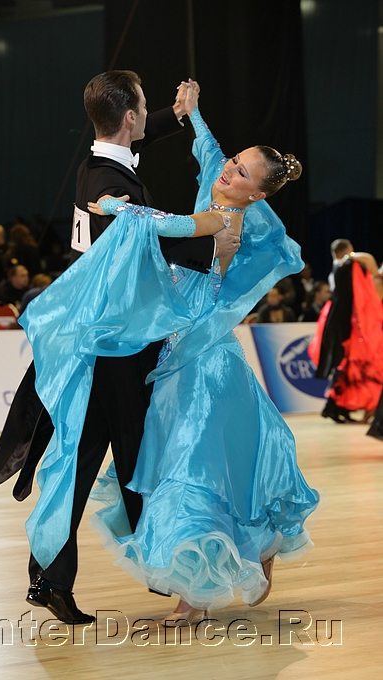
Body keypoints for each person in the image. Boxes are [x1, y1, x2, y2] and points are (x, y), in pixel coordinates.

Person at [20, 83, 318, 621]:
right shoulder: (217, 184)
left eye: (241, 172)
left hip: (201, 359)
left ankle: (194, 594)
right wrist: (192, 115)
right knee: (169, 467)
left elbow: (174, 226)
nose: (228, 169)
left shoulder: (225, 221)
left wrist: (121, 208)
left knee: (190, 470)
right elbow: (208, 151)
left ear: (257, 195)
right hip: (167, 353)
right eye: (234, 161)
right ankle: (214, 566)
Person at [0, 71, 238, 626]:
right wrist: (211, 241)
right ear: (128, 116)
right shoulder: (108, 184)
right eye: (143, 107)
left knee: (82, 463)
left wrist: (179, 114)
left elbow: (133, 149)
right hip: (118, 348)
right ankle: (179, 573)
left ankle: (53, 579)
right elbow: (145, 239)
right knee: (143, 459)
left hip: (98, 345)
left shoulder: (98, 165)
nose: (146, 114)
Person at [310, 246, 383, 423]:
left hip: (364, 325)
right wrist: (351, 256)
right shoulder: (344, 266)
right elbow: (368, 261)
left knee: (352, 366)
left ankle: (343, 407)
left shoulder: (342, 268)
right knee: (350, 365)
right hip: (360, 326)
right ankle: (341, 407)